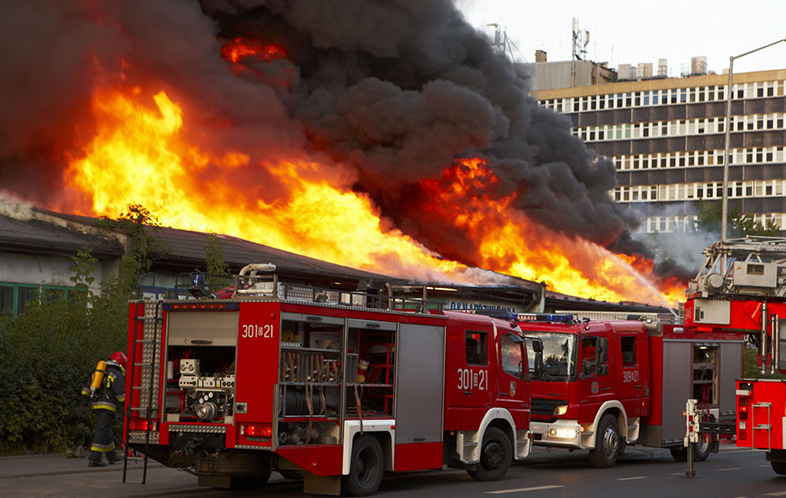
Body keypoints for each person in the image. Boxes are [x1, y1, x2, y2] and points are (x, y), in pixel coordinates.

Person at [79, 351, 127, 467]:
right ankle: (94, 459)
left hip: (96, 405)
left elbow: (86, 389)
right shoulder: (116, 374)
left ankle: (112, 457)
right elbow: (121, 394)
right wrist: (126, 407)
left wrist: (84, 403)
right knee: (102, 430)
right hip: (108, 406)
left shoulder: (99, 372)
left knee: (106, 429)